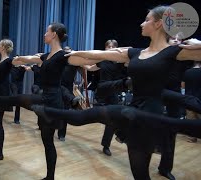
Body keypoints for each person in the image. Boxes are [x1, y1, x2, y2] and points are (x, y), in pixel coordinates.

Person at [61, 5, 201, 179]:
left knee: (141, 169)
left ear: (158, 24)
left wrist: (198, 44)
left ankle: (165, 168)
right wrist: (74, 53)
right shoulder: (136, 52)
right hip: (134, 109)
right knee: (139, 171)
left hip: (151, 114)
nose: (142, 24)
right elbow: (102, 54)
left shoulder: (175, 52)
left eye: (147, 20)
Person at [0, 23, 88, 180]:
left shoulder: (63, 56)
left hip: (53, 100)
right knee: (47, 141)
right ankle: (50, 177)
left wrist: (114, 54)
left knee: (20, 100)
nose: (44, 34)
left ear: (54, 35)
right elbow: (30, 58)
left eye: (47, 31)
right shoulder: (46, 56)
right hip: (45, 96)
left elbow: (89, 61)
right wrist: (18, 59)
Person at [95, 39, 127, 156]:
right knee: (103, 116)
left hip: (113, 92)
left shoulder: (120, 62)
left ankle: (106, 145)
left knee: (114, 119)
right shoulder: (102, 60)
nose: (110, 48)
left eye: (113, 46)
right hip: (103, 91)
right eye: (108, 46)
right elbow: (91, 67)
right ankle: (119, 134)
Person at [182, 61, 201, 142]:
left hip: (188, 98)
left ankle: (192, 138)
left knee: (191, 119)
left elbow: (183, 85)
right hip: (199, 99)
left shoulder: (187, 72)